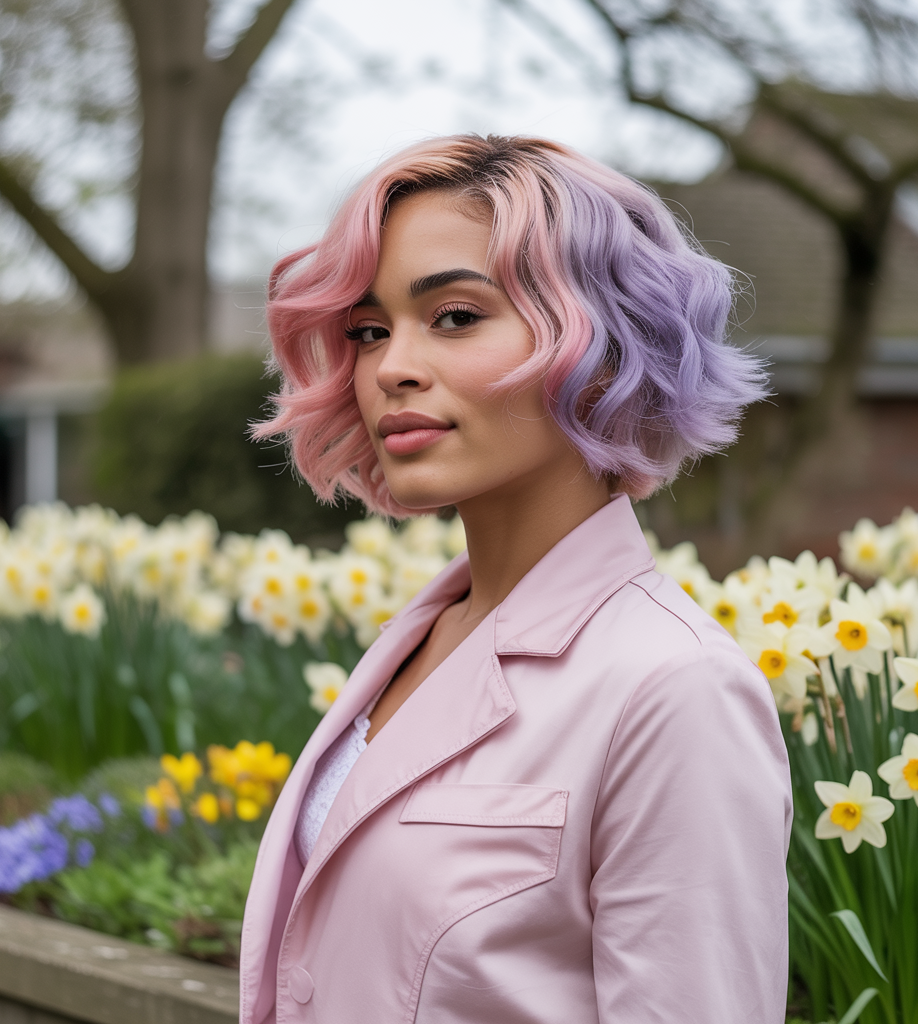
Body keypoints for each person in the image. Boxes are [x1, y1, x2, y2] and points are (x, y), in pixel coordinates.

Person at [241, 134, 791, 1024]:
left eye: (455, 316)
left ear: (605, 349)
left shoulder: (674, 688)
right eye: (370, 331)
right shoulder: (417, 638)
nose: (391, 368)